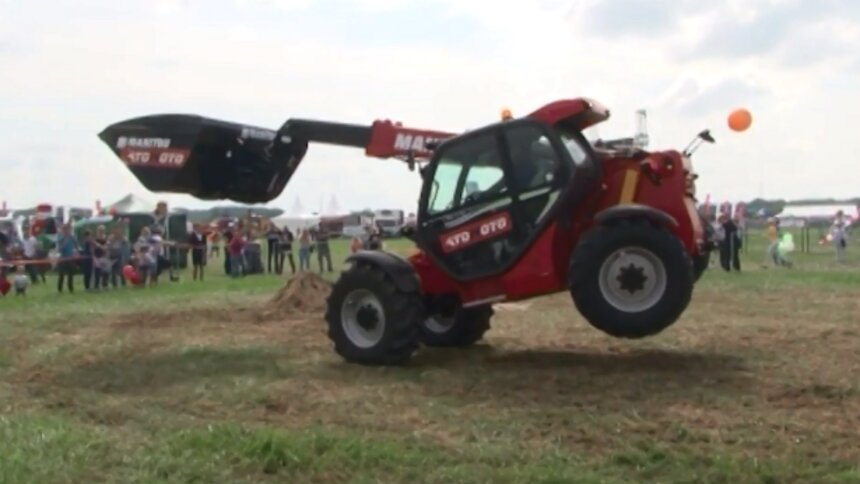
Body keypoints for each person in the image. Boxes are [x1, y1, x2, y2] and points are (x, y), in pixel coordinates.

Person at [55, 224, 78, 293]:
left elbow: (76, 244)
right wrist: (65, 241)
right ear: (63, 230)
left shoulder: (72, 237)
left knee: (70, 274)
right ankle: (60, 288)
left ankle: (70, 287)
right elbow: (59, 248)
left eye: (68, 229)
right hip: (63, 258)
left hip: (70, 258)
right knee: (61, 274)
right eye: (65, 229)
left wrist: (76, 251)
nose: (67, 231)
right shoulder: (60, 237)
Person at [92, 225, 111, 290]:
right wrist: (101, 247)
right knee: (97, 271)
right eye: (99, 230)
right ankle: (96, 285)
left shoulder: (106, 238)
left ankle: (105, 284)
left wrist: (101, 246)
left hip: (104, 256)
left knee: (106, 272)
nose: (101, 231)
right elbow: (94, 247)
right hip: (97, 256)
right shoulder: (95, 238)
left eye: (102, 230)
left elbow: (107, 246)